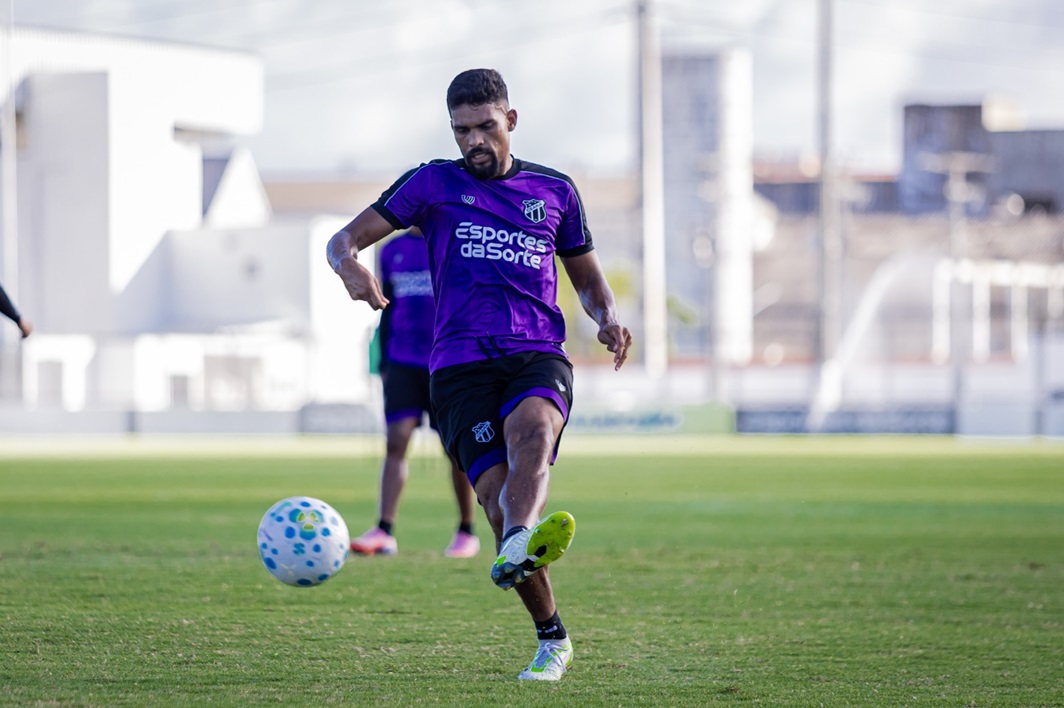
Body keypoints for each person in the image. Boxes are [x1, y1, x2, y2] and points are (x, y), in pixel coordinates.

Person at [326, 68, 631, 682]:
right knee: (492, 499)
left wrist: (607, 318)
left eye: (486, 127)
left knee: (534, 432)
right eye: (462, 130)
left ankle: (519, 538)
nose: (475, 142)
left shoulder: (555, 191)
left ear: (510, 121)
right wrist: (349, 267)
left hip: (534, 350)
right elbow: (343, 239)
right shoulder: (431, 183)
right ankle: (553, 638)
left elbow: (588, 279)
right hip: (459, 365)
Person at [349, 229, 481, 559]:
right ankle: (384, 530)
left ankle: (467, 531)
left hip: (447, 362)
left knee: (455, 451)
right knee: (397, 440)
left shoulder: (454, 240)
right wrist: (382, 362)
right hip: (402, 361)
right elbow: (387, 308)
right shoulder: (392, 249)